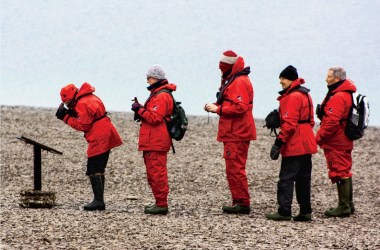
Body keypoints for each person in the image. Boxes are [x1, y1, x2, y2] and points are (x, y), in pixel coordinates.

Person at [55, 82, 123, 211]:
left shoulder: (82, 103)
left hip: (99, 135)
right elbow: (87, 116)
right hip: (106, 131)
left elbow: (83, 125)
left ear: (72, 97)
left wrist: (65, 117)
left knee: (93, 168)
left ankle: (98, 201)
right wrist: (71, 113)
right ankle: (99, 200)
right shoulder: (89, 97)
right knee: (99, 167)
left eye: (68, 103)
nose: (68, 105)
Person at [204, 50, 256, 214]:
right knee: (233, 167)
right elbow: (232, 102)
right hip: (235, 131)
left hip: (237, 132)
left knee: (235, 168)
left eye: (222, 68)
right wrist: (215, 106)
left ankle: (242, 203)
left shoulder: (239, 81)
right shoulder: (234, 79)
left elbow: (240, 107)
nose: (220, 71)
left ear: (227, 67)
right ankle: (239, 201)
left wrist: (218, 109)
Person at [266, 65, 318, 221]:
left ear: (291, 79)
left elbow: (289, 124)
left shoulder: (292, 97)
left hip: (295, 143)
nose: (281, 81)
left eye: (283, 78)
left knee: (286, 178)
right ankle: (305, 211)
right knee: (304, 179)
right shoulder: (306, 94)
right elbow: (311, 121)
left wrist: (279, 142)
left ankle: (284, 211)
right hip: (307, 141)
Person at [131, 65, 176, 215]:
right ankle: (159, 202)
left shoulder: (161, 95)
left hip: (156, 140)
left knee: (157, 173)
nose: (147, 80)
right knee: (154, 173)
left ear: (156, 78)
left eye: (149, 78)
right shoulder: (159, 94)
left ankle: (161, 204)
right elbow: (153, 114)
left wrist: (139, 109)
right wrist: (142, 110)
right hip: (154, 140)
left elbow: (155, 118)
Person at [316, 67, 356, 217]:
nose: (326, 79)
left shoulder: (339, 96)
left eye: (329, 76)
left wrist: (319, 137)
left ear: (337, 79)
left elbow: (332, 122)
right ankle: (349, 204)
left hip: (337, 141)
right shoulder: (346, 94)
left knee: (339, 170)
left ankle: (343, 206)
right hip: (344, 139)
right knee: (345, 169)